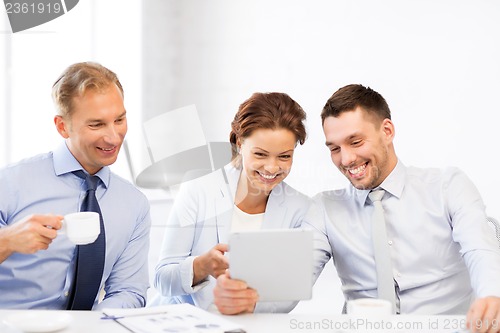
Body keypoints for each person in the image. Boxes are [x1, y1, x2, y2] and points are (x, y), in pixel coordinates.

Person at [214, 84, 500, 331]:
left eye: (356, 141)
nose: (347, 158)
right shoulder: (324, 209)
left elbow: (480, 249)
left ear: (387, 130)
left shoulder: (447, 186)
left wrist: (492, 296)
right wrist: (250, 299)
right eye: (334, 148)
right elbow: (294, 281)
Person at [0, 62, 151, 310]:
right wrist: (7, 241)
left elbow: (129, 291)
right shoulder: (9, 184)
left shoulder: (134, 204)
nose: (114, 137)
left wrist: (93, 326)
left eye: (120, 119)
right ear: (62, 126)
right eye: (96, 124)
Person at [153, 92, 310, 312]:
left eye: (284, 156)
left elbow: (288, 293)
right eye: (261, 154)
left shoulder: (300, 209)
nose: (272, 168)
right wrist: (200, 266)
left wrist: (249, 303)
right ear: (239, 142)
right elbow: (161, 278)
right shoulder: (197, 190)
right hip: (185, 323)